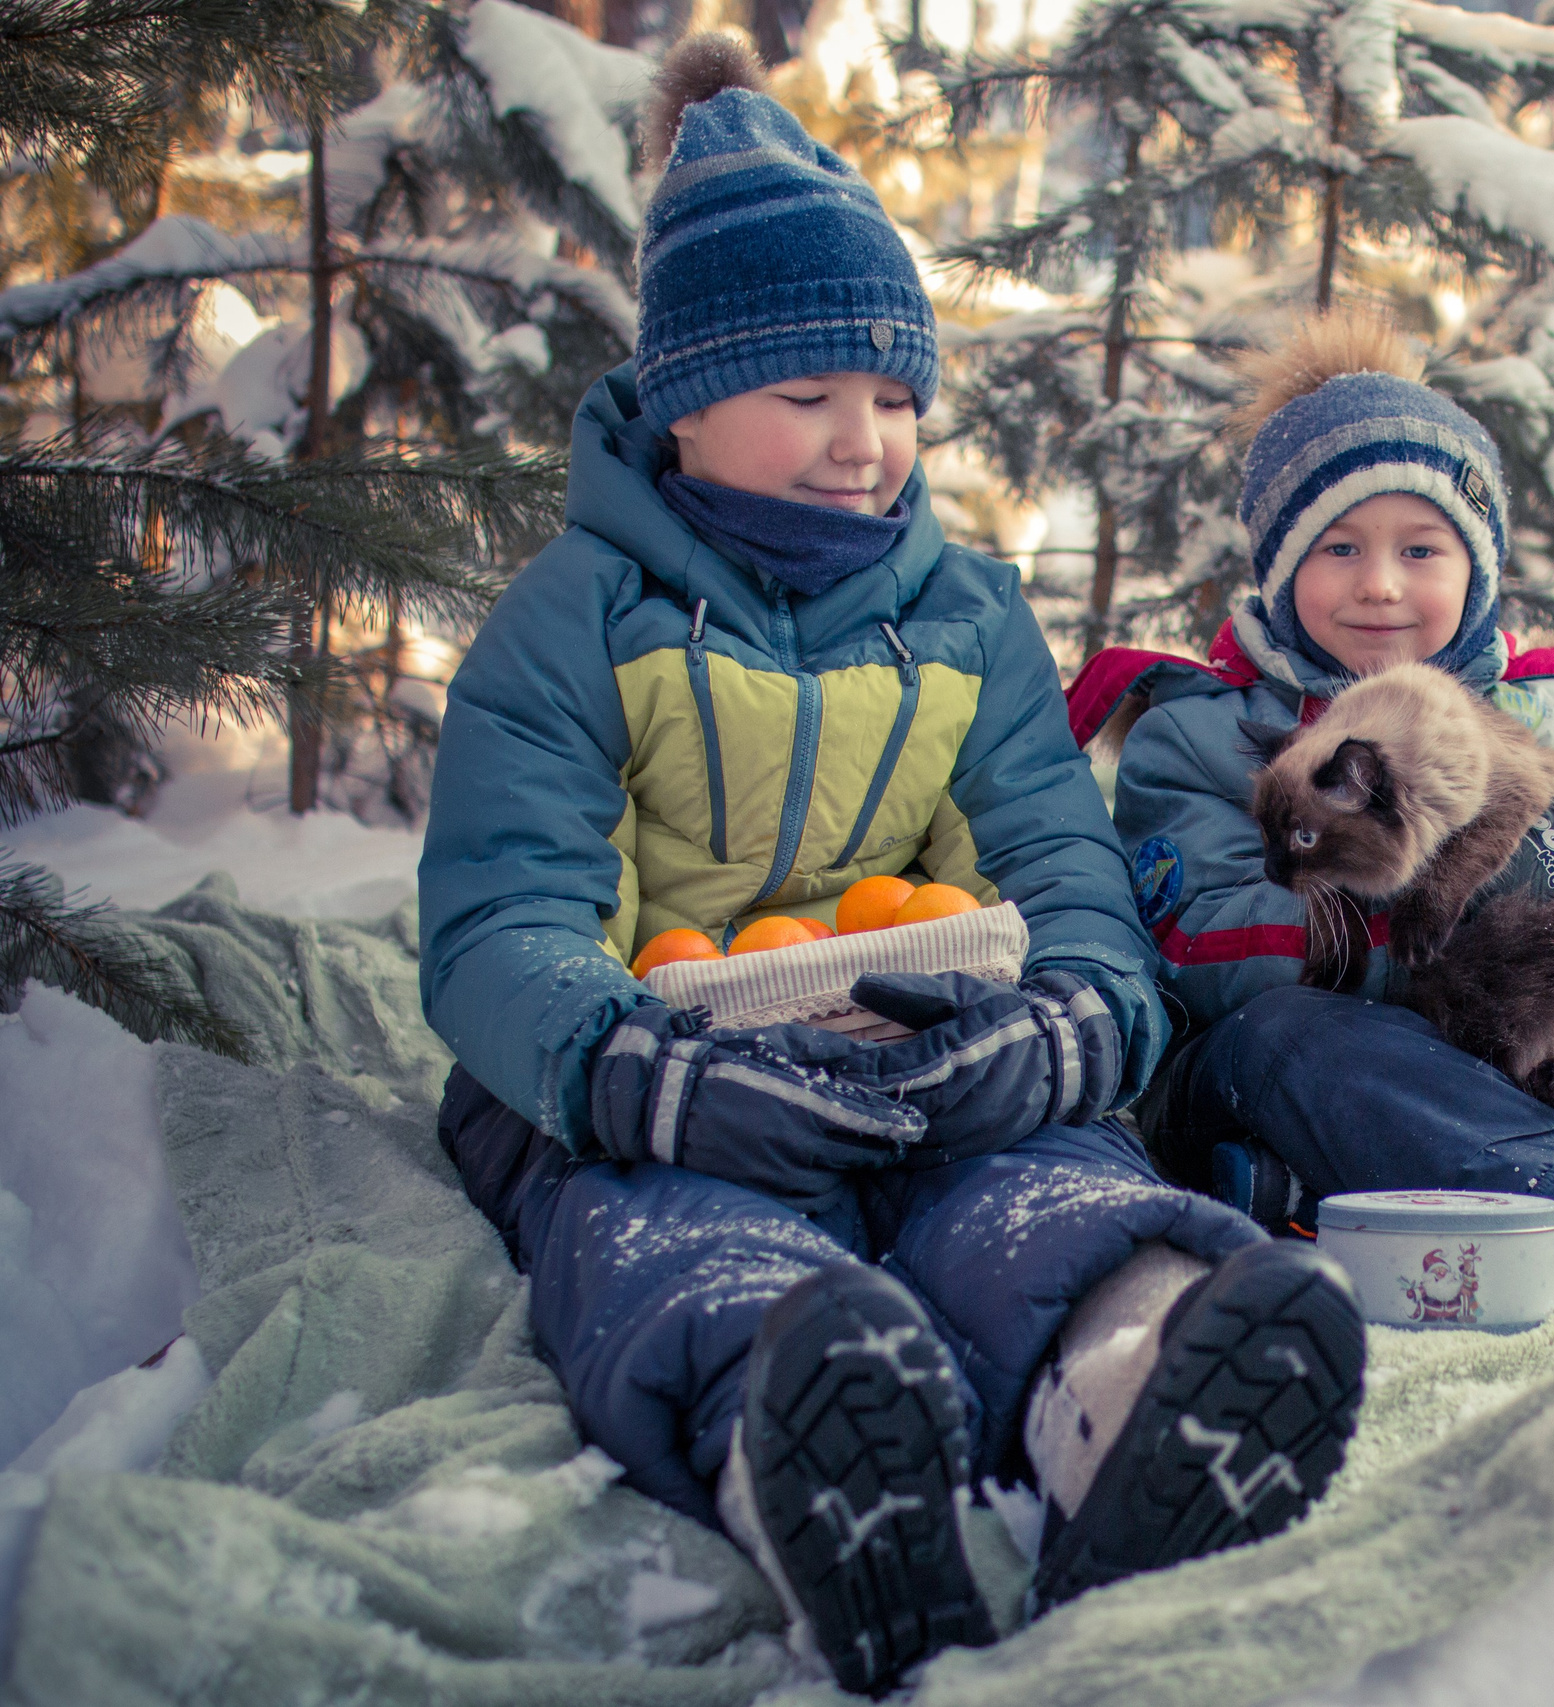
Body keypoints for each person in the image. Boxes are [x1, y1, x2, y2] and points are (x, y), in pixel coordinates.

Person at [416, 37, 1362, 1696]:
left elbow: (1063, 861)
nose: (865, 442)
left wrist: (1069, 1023)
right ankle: (806, 1443)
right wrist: (634, 1069)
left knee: (1043, 1187)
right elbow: (502, 916)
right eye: (809, 398)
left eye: (895, 400)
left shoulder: (966, 616)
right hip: (653, 1079)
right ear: (683, 398)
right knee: (673, 1233)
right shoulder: (573, 618)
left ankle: (1132, 1379)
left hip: (926, 1049)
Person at [1073, 314, 1554, 1303]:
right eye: (1338, 547)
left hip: (1493, 1053)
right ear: (1278, 564)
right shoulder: (1207, 728)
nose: (1380, 585)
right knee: (1295, 1037)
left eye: (1422, 549)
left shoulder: (1536, 711)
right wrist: (1426, 922)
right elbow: (1199, 951)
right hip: (1283, 1063)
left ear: (1476, 570)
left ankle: (1316, 1197)